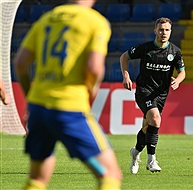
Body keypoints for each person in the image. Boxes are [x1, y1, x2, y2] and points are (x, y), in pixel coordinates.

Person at [14, 0, 122, 189]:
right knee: (110, 175)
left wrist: (31, 100)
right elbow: (94, 68)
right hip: (69, 108)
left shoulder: (47, 19)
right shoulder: (95, 21)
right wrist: (91, 91)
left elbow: (21, 63)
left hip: (39, 107)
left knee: (37, 179)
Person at [119, 17, 186, 174]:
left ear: (171, 32)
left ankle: (135, 153)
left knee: (148, 127)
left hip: (161, 94)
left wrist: (178, 80)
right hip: (144, 91)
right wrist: (126, 76)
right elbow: (124, 57)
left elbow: (182, 71)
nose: (164, 33)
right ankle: (151, 160)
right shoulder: (146, 48)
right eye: (161, 29)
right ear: (155, 31)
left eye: (167, 30)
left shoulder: (175, 52)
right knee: (156, 119)